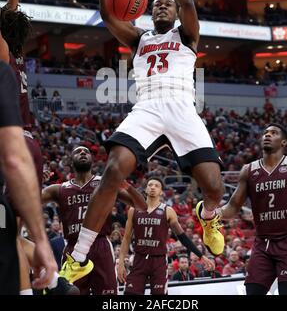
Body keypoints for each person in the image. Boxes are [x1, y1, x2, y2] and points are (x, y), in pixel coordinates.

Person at [61, 0, 224, 282]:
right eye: (158, 5)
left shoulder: (188, 35)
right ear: (151, 13)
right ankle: (78, 257)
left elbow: (188, 1)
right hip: (147, 108)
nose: (164, 7)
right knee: (112, 172)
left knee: (215, 188)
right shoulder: (140, 39)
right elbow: (107, 14)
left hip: (181, 107)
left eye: (168, 5)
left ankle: (207, 215)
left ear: (176, 14)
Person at [0, 0, 77, 295]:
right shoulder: (17, 55)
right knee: (12, 235)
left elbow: (6, 21)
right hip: (32, 143)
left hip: (13, 144)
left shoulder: (4, 55)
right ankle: (57, 286)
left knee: (8, 237)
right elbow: (10, 19)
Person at [42, 145, 147, 295]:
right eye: (78, 152)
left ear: (92, 160)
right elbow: (27, 202)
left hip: (101, 245)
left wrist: (127, 186)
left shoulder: (105, 183)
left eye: (87, 151)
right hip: (73, 247)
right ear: (71, 162)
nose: (83, 152)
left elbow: (142, 206)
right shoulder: (59, 189)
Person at [219, 123, 287, 295]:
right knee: (252, 291)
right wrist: (213, 213)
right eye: (265, 133)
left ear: (284, 142)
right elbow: (233, 206)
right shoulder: (248, 170)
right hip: (262, 243)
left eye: (274, 133)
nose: (268, 135)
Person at [0, 60, 57, 295]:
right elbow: (13, 159)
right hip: (23, 139)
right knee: (12, 236)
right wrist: (41, 240)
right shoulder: (5, 63)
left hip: (25, 139)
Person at [117, 177, 213, 295]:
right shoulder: (133, 210)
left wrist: (201, 256)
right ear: (146, 189)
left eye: (156, 186)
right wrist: (121, 262)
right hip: (139, 259)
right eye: (150, 185)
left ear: (161, 192)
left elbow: (182, 237)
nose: (152, 187)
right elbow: (126, 238)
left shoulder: (168, 211)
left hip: (159, 261)